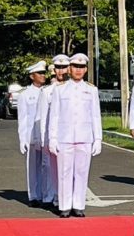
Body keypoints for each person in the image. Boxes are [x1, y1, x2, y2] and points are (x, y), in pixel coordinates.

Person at [47, 53, 102, 218]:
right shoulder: (60, 89)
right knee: (64, 172)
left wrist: (98, 138)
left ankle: (78, 205)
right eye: (75, 66)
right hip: (64, 137)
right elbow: (54, 115)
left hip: (85, 137)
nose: (78, 70)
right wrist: (52, 138)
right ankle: (64, 206)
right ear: (69, 69)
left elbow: (95, 115)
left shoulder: (91, 90)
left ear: (85, 69)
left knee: (81, 172)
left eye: (81, 67)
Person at [38, 55, 70, 209]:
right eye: (58, 68)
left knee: (69, 169)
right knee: (52, 169)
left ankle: (68, 198)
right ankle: (55, 196)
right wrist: (44, 139)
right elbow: (43, 117)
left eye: (64, 68)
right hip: (53, 136)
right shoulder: (47, 91)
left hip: (69, 136)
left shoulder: (74, 89)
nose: (61, 71)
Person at [17, 60, 47, 206]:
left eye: (43, 73)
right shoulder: (25, 95)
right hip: (32, 135)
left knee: (47, 166)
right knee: (33, 168)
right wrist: (22, 139)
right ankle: (34, 196)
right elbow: (22, 119)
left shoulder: (48, 91)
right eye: (39, 73)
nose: (43, 75)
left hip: (45, 135)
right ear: (31, 76)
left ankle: (46, 194)